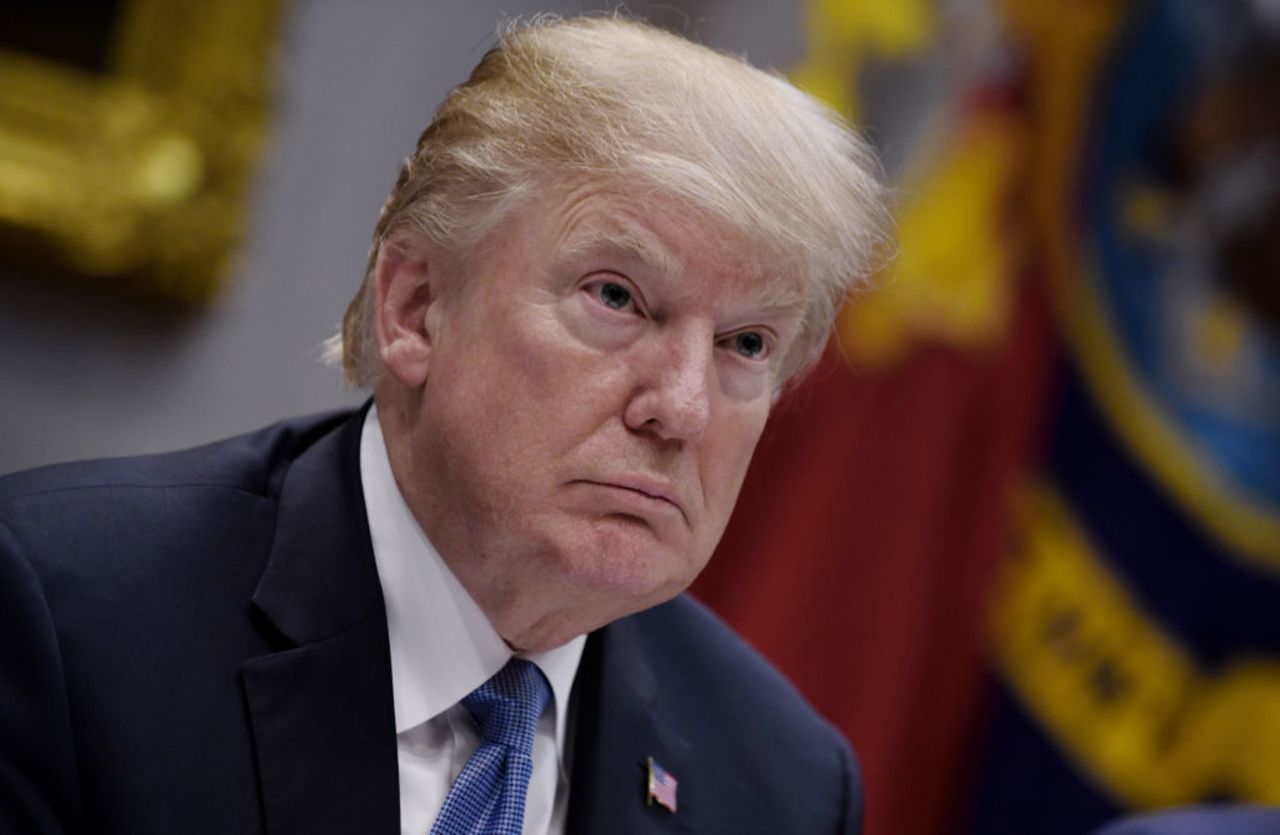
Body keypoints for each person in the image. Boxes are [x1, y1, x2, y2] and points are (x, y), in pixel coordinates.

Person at [0, 14, 889, 835]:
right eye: (616, 296)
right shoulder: (61, 622)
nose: (684, 408)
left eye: (745, 342)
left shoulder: (786, 786)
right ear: (416, 307)